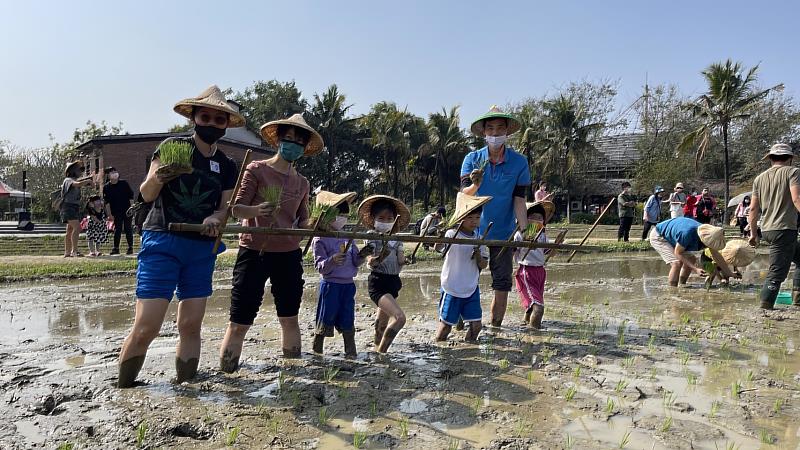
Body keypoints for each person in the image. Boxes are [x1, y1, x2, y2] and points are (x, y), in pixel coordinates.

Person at [117, 85, 244, 388]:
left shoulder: (226, 165)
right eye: (206, 117)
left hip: (201, 247)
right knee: (147, 326)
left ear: (226, 125)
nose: (212, 123)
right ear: (194, 118)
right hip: (163, 240)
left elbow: (224, 208)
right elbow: (146, 194)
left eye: (219, 119)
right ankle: (124, 389)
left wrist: (216, 217)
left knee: (190, 324)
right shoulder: (172, 147)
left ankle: (186, 386)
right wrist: (160, 176)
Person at [219, 113, 322, 370]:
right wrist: (257, 211)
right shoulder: (257, 170)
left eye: (299, 142)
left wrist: (320, 222)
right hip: (254, 251)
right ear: (278, 140)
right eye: (289, 139)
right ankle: (228, 373)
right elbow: (236, 208)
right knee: (240, 321)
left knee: (290, 317)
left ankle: (294, 372)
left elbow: (303, 222)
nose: (293, 145)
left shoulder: (302, 182)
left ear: (304, 148)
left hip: (288, 255)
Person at [460, 106, 530, 327]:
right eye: (490, 128)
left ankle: (495, 328)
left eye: (500, 128)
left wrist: (525, 229)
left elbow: (519, 199)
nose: (495, 133)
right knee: (466, 279)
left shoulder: (519, 162)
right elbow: (464, 196)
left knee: (501, 282)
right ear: (484, 133)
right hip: (473, 231)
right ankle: (460, 319)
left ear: (507, 131)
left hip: (503, 232)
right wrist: (475, 184)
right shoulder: (472, 160)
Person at [310, 191, 364, 358]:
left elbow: (355, 261)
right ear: (325, 216)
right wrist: (332, 260)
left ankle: (351, 353)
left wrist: (363, 255)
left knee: (348, 317)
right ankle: (317, 350)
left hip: (348, 285)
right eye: (338, 215)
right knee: (325, 317)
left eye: (344, 215)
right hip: (330, 285)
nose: (342, 218)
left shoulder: (348, 237)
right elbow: (320, 267)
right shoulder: (320, 239)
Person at [748, 143, 800, 309]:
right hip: (784, 229)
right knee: (777, 271)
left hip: (767, 229)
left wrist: (753, 233)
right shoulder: (793, 172)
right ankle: (766, 305)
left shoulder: (759, 178)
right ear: (790, 158)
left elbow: (753, 208)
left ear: (770, 158)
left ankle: (798, 298)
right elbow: (796, 198)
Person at [434, 192, 490, 342]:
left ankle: (468, 349)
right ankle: (439, 351)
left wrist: (478, 254)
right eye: (470, 218)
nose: (474, 221)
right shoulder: (452, 234)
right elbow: (438, 247)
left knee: (476, 326)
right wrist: (440, 234)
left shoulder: (479, 239)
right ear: (461, 218)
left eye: (477, 218)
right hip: (452, 287)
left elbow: (483, 264)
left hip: (471, 287)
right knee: (445, 327)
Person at [359, 195, 411, 353]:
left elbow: (400, 260)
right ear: (373, 219)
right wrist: (378, 258)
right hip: (378, 282)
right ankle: (382, 352)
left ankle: (376, 348)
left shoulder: (397, 239)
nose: (385, 221)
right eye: (381, 218)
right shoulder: (371, 237)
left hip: (394, 282)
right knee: (400, 318)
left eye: (389, 218)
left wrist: (407, 260)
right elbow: (370, 261)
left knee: (381, 324)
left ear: (395, 220)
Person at [648, 217, 737, 287]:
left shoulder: (709, 235)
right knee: (676, 263)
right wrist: (695, 269)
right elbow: (677, 253)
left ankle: (682, 284)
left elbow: (716, 256)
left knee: (691, 259)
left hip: (674, 237)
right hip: (659, 236)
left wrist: (729, 272)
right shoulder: (688, 233)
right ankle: (672, 290)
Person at [514, 200, 555, 329]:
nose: (536, 220)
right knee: (538, 308)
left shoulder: (543, 236)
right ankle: (535, 336)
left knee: (533, 304)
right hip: (526, 271)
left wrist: (556, 246)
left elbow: (549, 253)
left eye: (539, 218)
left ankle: (526, 324)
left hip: (540, 271)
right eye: (532, 217)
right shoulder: (519, 234)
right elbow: (512, 251)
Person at [61, 161, 94, 257]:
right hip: (68, 207)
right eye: (80, 169)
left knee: (70, 230)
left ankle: (67, 252)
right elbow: (76, 184)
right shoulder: (68, 180)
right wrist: (88, 181)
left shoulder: (73, 179)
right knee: (77, 227)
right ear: (73, 171)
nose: (81, 171)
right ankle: (74, 251)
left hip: (73, 207)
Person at [103, 167, 135, 255]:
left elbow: (130, 196)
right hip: (116, 211)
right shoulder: (106, 187)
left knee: (128, 228)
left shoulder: (124, 183)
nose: (114, 173)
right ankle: (116, 248)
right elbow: (107, 202)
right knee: (118, 229)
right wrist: (109, 214)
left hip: (127, 210)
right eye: (111, 172)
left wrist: (132, 208)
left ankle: (130, 247)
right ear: (108, 175)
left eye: (115, 171)